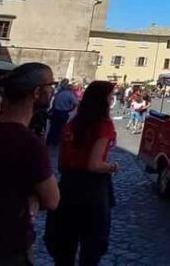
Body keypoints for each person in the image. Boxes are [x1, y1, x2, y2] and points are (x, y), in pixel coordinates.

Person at [0, 62, 60, 265]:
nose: (53, 90)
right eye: (51, 85)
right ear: (38, 92)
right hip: (6, 248)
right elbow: (52, 199)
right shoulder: (28, 142)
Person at [45, 81, 119, 266]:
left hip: (68, 186)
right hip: (92, 190)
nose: (112, 100)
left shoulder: (73, 123)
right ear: (102, 99)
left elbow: (62, 162)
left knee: (64, 246)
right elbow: (94, 164)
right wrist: (112, 166)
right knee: (92, 246)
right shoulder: (103, 125)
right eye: (110, 97)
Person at [46, 80, 79, 146]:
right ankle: (57, 142)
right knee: (61, 128)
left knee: (53, 127)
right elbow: (76, 103)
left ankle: (49, 141)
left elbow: (54, 103)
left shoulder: (59, 93)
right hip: (64, 113)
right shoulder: (70, 95)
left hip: (56, 112)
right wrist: (71, 109)